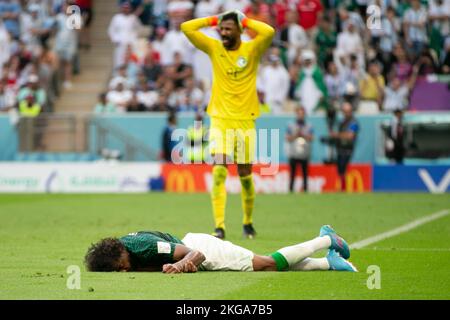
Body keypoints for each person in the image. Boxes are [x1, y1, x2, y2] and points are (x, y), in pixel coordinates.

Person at [181, 10, 275, 239]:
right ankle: (219, 227)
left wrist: (245, 20)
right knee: (219, 171)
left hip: (245, 122)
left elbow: (269, 31)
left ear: (239, 31)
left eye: (228, 29)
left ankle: (248, 222)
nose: (223, 33)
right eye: (221, 29)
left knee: (245, 175)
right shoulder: (215, 48)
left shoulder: (251, 50)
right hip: (220, 121)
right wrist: (214, 19)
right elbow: (187, 28)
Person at [84, 225, 357, 273]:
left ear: (117, 254)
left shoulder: (140, 246)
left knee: (266, 264)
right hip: (198, 252)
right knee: (262, 265)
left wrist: (180, 264)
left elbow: (191, 252)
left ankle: (325, 240)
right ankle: (327, 263)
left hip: (201, 247)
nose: (122, 270)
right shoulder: (127, 248)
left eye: (117, 266)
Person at [330, 102, 359, 192]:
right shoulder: (341, 122)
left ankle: (344, 188)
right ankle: (341, 187)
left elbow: (350, 136)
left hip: (348, 148)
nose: (346, 114)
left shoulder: (354, 122)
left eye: (348, 111)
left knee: (343, 167)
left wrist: (337, 135)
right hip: (340, 147)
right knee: (340, 169)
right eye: (345, 112)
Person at [286, 106, 314, 193]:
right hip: (294, 153)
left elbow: (311, 137)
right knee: (292, 173)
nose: (300, 116)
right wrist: (296, 134)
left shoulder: (309, 125)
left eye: (302, 114)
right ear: (296, 114)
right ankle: (291, 190)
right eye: (299, 114)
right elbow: (288, 138)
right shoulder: (291, 125)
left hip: (305, 153)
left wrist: (303, 134)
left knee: (305, 174)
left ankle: (305, 190)